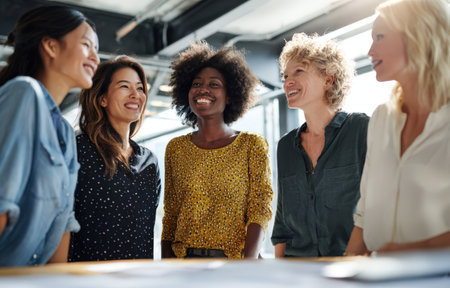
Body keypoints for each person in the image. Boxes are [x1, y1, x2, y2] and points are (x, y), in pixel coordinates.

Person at [346, 0, 450, 255]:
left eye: (380, 37)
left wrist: (405, 252)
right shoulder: (381, 119)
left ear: (419, 36)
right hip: (379, 278)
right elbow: (364, 215)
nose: (370, 50)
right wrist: (345, 268)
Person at [0, 5, 99, 266]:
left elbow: (63, 224)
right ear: (51, 47)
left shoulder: (66, 132)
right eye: (87, 45)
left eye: (97, 51)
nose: (96, 59)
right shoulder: (24, 93)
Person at [161, 42, 273, 259]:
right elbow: (171, 215)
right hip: (185, 265)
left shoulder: (251, 145)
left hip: (236, 263)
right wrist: (167, 266)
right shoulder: (176, 148)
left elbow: (260, 208)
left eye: (214, 84)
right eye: (196, 84)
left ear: (230, 96)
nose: (203, 89)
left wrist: (246, 263)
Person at [271, 33, 369, 257]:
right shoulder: (285, 146)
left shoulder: (360, 130)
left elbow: (375, 207)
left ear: (328, 79)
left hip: (349, 269)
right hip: (296, 272)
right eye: (285, 76)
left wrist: (348, 266)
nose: (287, 82)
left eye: (299, 71)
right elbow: (282, 223)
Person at [69, 56, 161, 261]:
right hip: (86, 278)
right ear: (102, 99)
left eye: (139, 88)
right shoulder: (78, 151)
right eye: (124, 86)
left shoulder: (150, 161)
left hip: (139, 278)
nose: (135, 95)